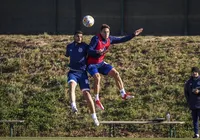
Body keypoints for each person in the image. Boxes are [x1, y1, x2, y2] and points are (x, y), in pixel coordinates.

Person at [87, 24, 143, 110]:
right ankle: (97, 100)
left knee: (116, 73)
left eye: (108, 32)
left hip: (101, 63)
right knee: (97, 78)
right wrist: (97, 51)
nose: (106, 34)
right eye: (104, 32)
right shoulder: (96, 39)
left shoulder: (110, 39)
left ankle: (123, 94)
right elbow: (89, 50)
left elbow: (121, 39)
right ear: (100, 32)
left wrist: (133, 35)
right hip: (92, 64)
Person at [65, 30, 99, 126]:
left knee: (87, 95)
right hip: (73, 72)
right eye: (77, 36)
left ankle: (94, 117)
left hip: (83, 73)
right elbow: (67, 55)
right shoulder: (69, 46)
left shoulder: (85, 46)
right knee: (72, 85)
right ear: (74, 37)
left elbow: (92, 52)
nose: (79, 38)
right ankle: (73, 106)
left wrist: (98, 52)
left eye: (81, 36)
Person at [184, 67, 200, 138]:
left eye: (195, 72)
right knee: (195, 120)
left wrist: (199, 92)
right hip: (193, 104)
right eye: (193, 72)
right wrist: (189, 101)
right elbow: (186, 92)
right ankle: (196, 134)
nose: (194, 73)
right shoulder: (188, 82)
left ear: (198, 72)